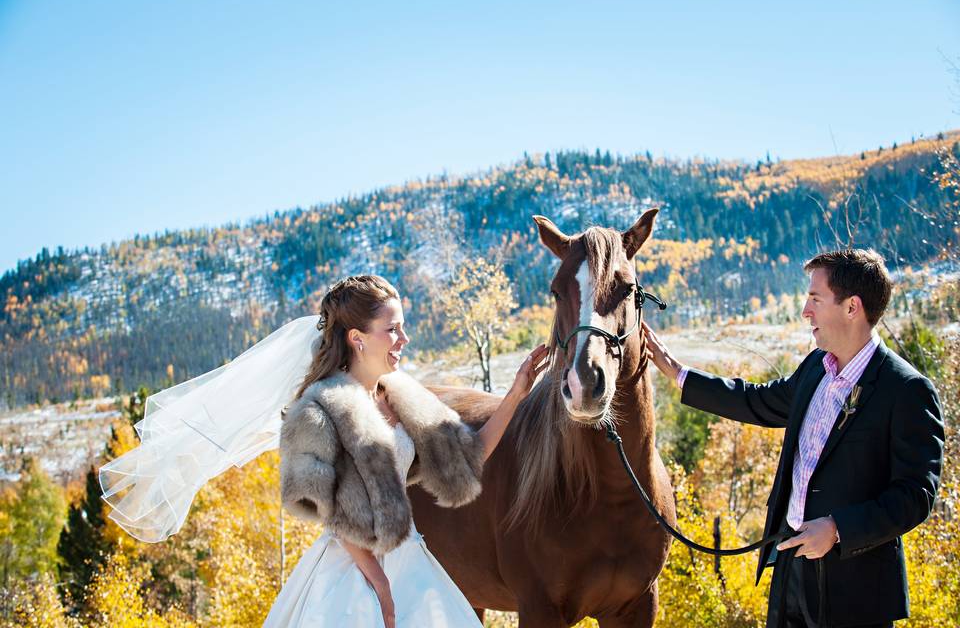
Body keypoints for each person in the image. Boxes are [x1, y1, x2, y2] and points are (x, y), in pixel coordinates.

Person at [99, 274, 548, 628]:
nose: (404, 338)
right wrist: (383, 591)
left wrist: (516, 393)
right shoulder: (318, 411)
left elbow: (467, 457)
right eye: (392, 329)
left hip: (414, 565)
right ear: (357, 338)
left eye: (402, 327)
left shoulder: (401, 398)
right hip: (353, 580)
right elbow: (336, 517)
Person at [643, 249, 944, 628]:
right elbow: (755, 401)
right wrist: (678, 373)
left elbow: (915, 496)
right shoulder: (814, 369)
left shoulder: (906, 390)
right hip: (790, 570)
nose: (806, 311)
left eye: (815, 299)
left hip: (856, 591)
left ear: (852, 307)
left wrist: (837, 529)